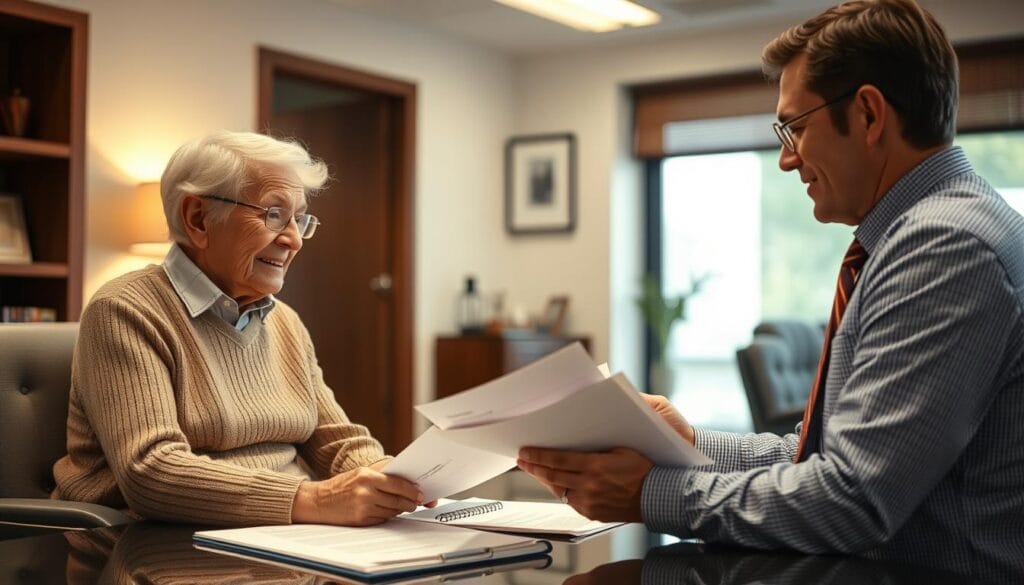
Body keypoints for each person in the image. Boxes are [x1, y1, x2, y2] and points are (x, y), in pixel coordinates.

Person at [517, 0, 1024, 581]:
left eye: (796, 127)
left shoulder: (945, 246)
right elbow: (829, 460)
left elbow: (851, 501)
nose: (786, 159)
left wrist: (653, 492)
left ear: (867, 114)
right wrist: (685, 443)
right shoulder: (925, 233)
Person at [53, 131, 424, 526]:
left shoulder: (285, 321)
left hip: (285, 537)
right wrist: (312, 498)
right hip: (160, 545)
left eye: (300, 219)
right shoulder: (125, 309)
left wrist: (394, 480)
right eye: (274, 215)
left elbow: (334, 439)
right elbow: (151, 472)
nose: (294, 240)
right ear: (198, 219)